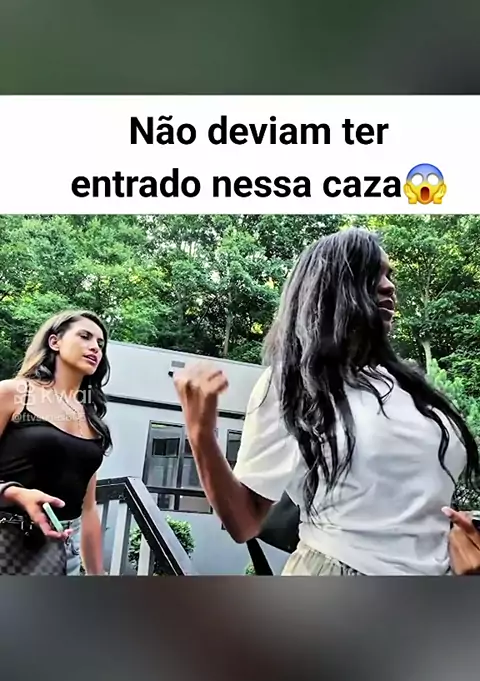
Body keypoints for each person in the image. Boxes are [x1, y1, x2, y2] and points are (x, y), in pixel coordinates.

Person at [174, 228, 480, 575]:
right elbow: (244, 521)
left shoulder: (412, 388)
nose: (388, 287)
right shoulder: (295, 384)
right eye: (371, 275)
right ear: (328, 289)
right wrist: (201, 435)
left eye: (389, 275)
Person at [0, 310, 111, 575]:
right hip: (7, 542)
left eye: (100, 343)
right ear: (55, 342)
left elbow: (89, 508)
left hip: (63, 554)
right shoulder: (13, 393)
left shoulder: (92, 419)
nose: (95, 347)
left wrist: (97, 576)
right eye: (85, 336)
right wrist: (14, 493)